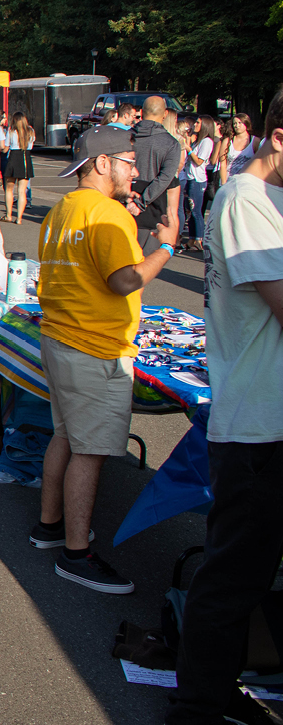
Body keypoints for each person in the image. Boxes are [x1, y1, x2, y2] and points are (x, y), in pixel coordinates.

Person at [166, 90, 283, 725]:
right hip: (260, 424)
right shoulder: (245, 200)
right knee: (236, 574)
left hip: (268, 417)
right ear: (279, 138)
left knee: (247, 571)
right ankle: (200, 705)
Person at [29, 125, 178, 594]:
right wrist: (167, 248)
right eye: (129, 161)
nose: (135, 170)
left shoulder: (62, 210)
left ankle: (50, 527)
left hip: (61, 337)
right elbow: (125, 281)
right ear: (101, 163)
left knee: (67, 437)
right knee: (89, 451)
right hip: (95, 347)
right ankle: (77, 554)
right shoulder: (107, 214)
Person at [128, 96, 183, 253]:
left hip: (122, 206)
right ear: (165, 114)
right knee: (143, 269)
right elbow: (165, 178)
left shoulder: (125, 136)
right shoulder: (171, 143)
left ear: (141, 112)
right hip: (152, 210)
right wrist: (141, 202)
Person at [182, 116, 217, 251]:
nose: (195, 124)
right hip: (190, 177)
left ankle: (199, 239)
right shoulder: (198, 141)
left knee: (196, 210)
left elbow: (199, 161)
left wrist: (188, 148)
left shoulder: (207, 142)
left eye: (198, 123)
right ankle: (192, 238)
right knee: (189, 210)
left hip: (198, 180)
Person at [3, 112, 36, 223]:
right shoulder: (30, 131)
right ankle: (20, 218)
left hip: (13, 158)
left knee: (9, 189)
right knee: (22, 191)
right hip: (25, 158)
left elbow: (6, 148)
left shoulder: (11, 131)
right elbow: (31, 146)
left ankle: (9, 215)